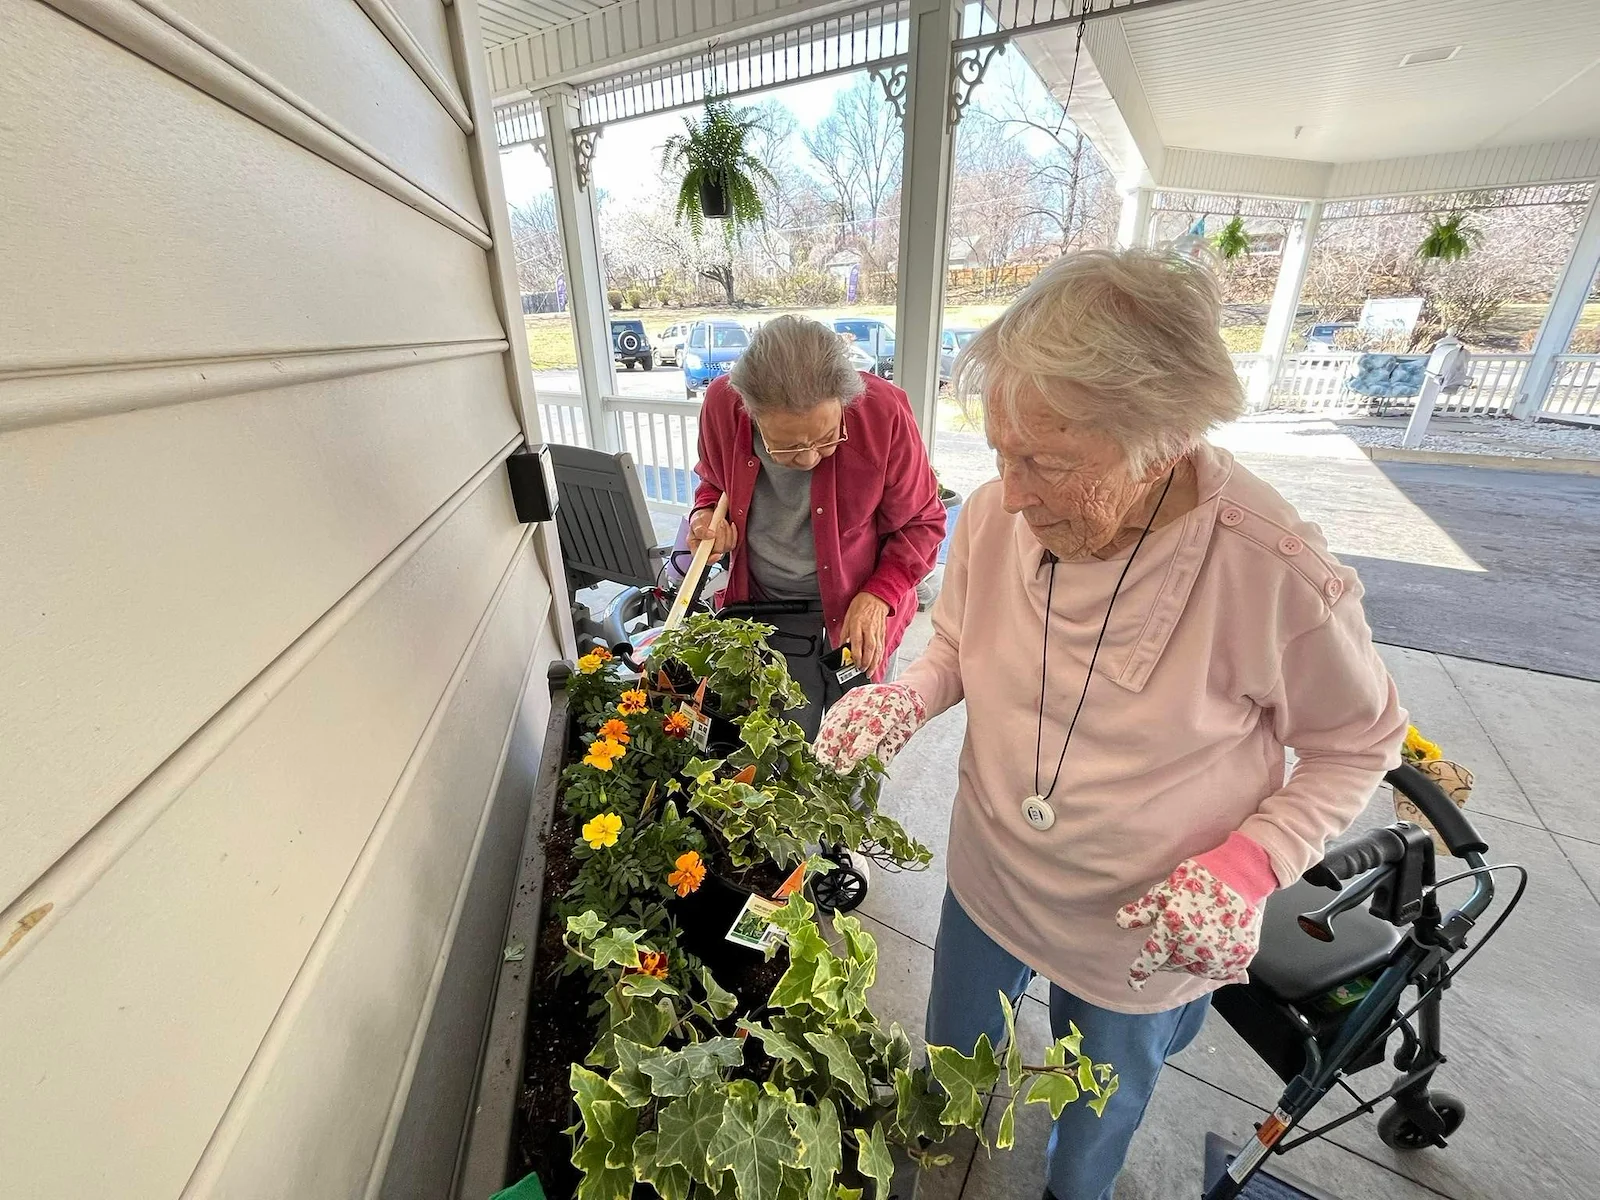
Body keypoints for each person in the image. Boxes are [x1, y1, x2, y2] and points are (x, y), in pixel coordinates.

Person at [813, 249, 1406, 1200]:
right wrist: (908, 695)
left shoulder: (1274, 571)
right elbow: (958, 642)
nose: (1013, 491)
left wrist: (1249, 865)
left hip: (1139, 921)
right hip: (992, 874)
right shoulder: (1001, 516)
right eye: (1004, 453)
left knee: (1101, 1101)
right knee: (954, 1056)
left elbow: (1358, 741)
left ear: (1161, 441)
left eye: (1047, 462)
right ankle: (941, 1152)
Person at [688, 315, 946, 738]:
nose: (809, 459)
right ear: (749, 412)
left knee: (854, 755)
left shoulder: (884, 411)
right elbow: (714, 482)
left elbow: (923, 521)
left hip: (859, 612)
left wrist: (880, 594)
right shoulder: (722, 404)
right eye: (786, 447)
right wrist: (705, 517)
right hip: (767, 611)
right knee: (781, 756)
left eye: (827, 438)